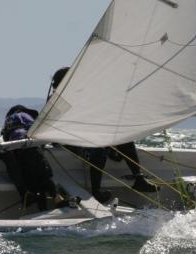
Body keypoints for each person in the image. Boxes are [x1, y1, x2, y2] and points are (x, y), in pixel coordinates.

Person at [48, 67, 156, 203]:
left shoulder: (81, 97)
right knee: (98, 150)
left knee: (124, 140)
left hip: (86, 137)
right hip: (71, 142)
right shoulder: (56, 101)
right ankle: (96, 192)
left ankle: (139, 179)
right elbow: (55, 129)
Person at [1, 104, 75, 210]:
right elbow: (35, 128)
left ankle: (43, 208)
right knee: (43, 173)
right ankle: (58, 199)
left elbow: (5, 137)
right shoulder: (22, 114)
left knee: (33, 181)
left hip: (16, 150)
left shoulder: (8, 121)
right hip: (28, 146)